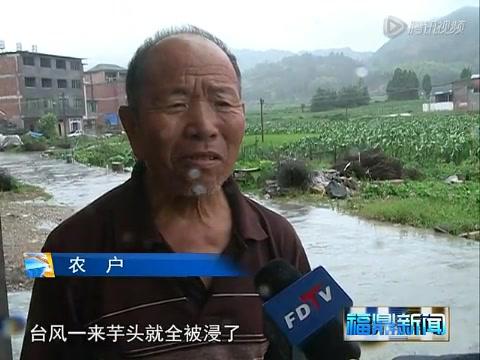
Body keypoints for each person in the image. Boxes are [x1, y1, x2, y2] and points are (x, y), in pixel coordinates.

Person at [21, 26, 315, 359]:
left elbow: (313, 346)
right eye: (176, 105)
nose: (204, 126)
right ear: (132, 126)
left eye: (222, 102)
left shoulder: (277, 240)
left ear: (242, 116)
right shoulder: (72, 250)